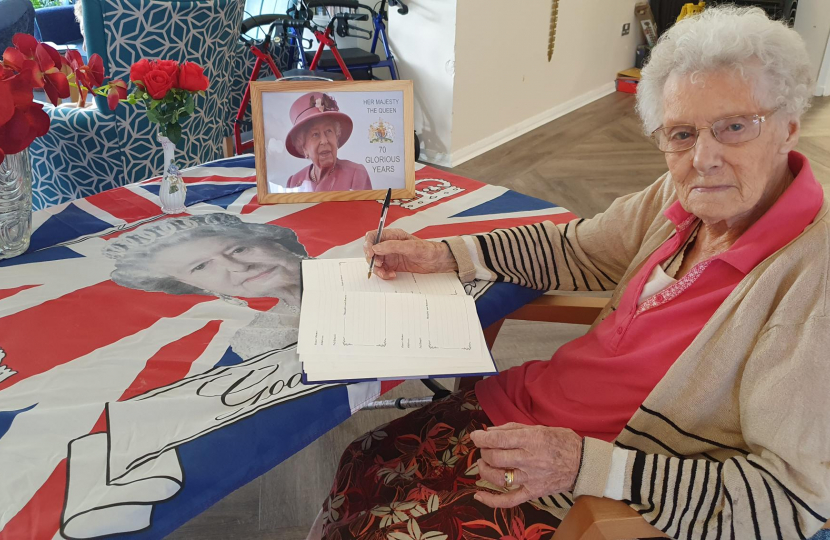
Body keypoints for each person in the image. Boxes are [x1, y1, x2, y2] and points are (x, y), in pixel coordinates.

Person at [315, 7, 830, 540]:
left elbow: (790, 502)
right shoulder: (680, 200)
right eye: (681, 132)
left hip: (600, 484)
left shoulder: (812, 280)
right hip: (532, 409)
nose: (703, 157)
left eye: (735, 127)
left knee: (375, 530)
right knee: (363, 461)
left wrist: (586, 465)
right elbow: (577, 249)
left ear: (789, 128)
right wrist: (448, 254)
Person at [103, 213, 307, 357]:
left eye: (239, 249)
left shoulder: (339, 261)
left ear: (273, 241)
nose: (237, 267)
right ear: (194, 286)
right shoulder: (257, 338)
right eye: (201, 267)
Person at [283, 92, 372, 193]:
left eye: (328, 131)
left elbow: (363, 209)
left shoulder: (356, 173)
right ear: (304, 148)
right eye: (315, 134)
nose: (324, 141)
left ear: (336, 138)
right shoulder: (294, 182)